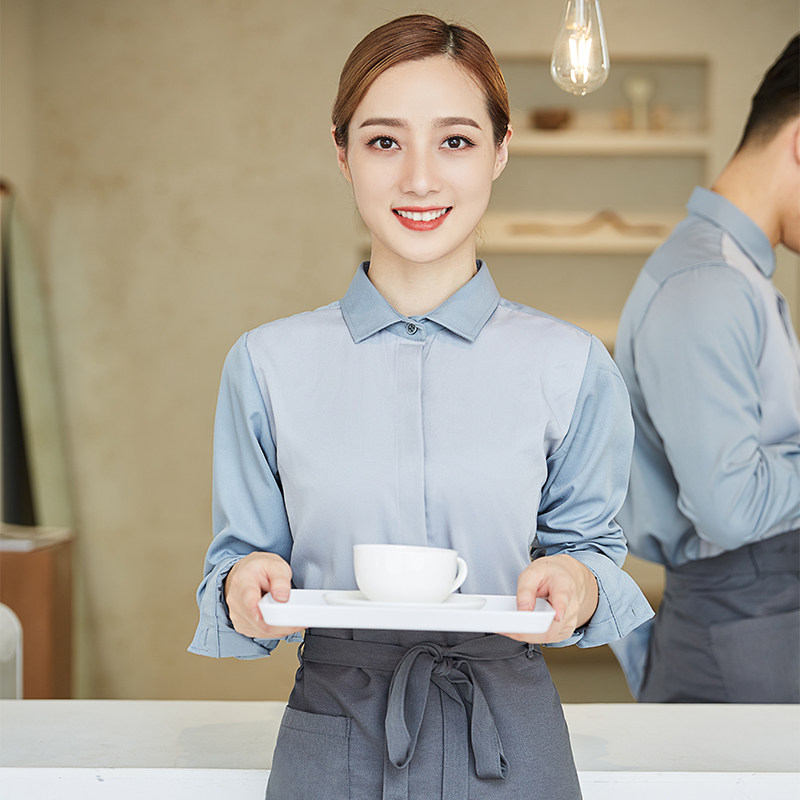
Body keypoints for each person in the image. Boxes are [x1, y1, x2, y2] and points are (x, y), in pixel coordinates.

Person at [189, 14, 652, 799]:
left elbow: (593, 553)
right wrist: (245, 584)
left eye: (457, 141)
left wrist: (576, 583)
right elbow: (236, 561)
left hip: (509, 733)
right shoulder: (267, 365)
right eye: (383, 141)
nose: (420, 180)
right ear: (342, 154)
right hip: (331, 729)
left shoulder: (570, 365)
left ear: (501, 151)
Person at [611, 34, 800, 704]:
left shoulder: (732, 275)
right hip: (743, 631)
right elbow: (732, 506)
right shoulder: (707, 284)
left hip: (750, 622)